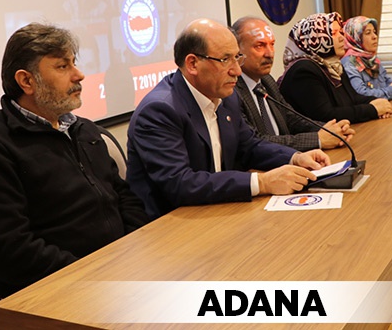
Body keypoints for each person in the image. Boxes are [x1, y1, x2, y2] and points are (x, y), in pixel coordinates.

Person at [0, 23, 149, 298]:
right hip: (58, 293)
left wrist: (132, 253)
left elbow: (124, 198)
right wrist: (96, 275)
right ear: (27, 81)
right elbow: (12, 252)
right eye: (62, 66)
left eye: (74, 63)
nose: (79, 75)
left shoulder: (84, 130)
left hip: (118, 274)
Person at [127, 18, 331, 219]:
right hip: (172, 224)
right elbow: (181, 184)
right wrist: (261, 183)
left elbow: (250, 146)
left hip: (219, 208)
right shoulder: (160, 110)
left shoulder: (227, 97)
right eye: (225, 60)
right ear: (192, 64)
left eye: (237, 58)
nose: (237, 70)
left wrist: (295, 157)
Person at [231, 16, 355, 152]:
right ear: (237, 50)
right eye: (259, 46)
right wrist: (318, 139)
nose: (270, 54)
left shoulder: (267, 81)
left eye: (272, 44)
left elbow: (291, 119)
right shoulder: (232, 91)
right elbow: (256, 141)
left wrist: (330, 130)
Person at [278, 12, 392, 124]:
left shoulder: (333, 65)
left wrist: (377, 102)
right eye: (334, 33)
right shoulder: (303, 70)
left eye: (341, 32)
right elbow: (326, 115)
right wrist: (373, 110)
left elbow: (353, 98)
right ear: (316, 38)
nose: (342, 38)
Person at [342, 16, 392, 100]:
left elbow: (386, 80)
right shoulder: (349, 63)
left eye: (374, 32)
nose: (375, 36)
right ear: (355, 37)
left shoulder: (372, 59)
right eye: (368, 33)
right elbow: (362, 94)